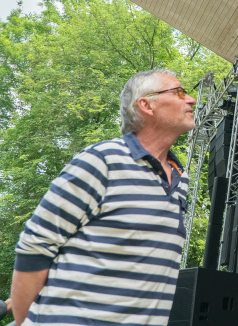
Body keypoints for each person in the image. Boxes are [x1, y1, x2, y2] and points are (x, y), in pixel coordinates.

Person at [11, 69, 195, 326]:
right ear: (146, 105)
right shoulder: (102, 160)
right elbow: (35, 247)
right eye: (179, 92)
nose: (191, 99)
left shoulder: (180, 178)